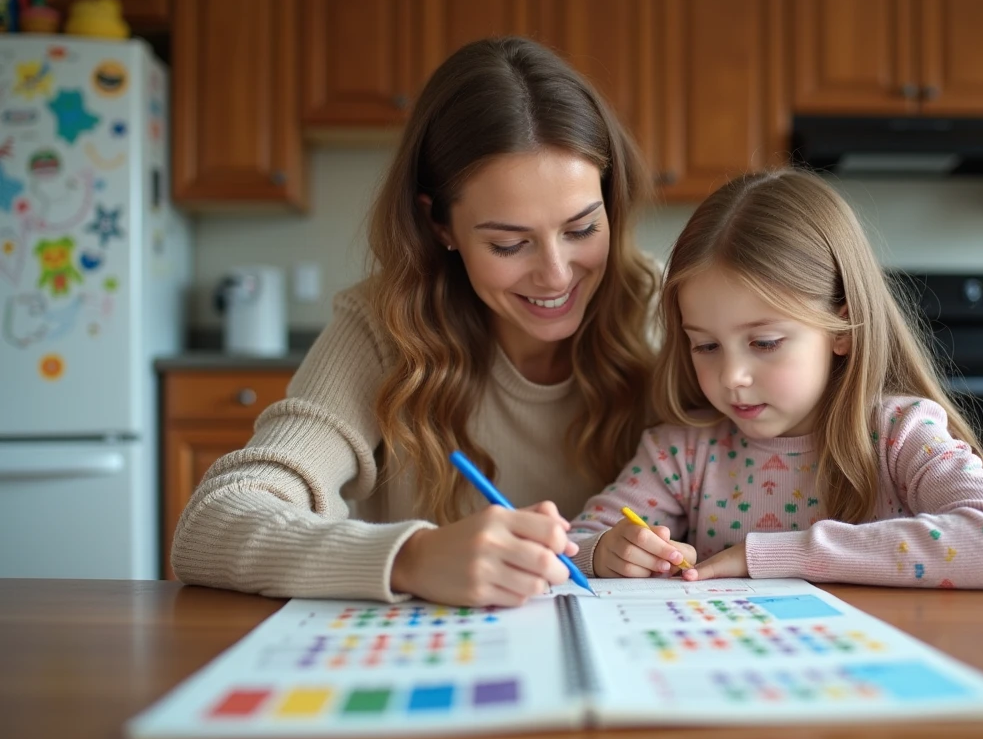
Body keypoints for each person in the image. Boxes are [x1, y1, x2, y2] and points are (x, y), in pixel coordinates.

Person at [171, 37, 660, 606]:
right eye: (508, 244)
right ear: (441, 226)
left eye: (580, 230)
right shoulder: (383, 327)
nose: (555, 275)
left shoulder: (666, 309)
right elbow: (212, 523)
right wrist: (410, 558)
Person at [568, 170, 983, 590]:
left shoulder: (900, 436)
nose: (731, 377)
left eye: (765, 342)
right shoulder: (682, 453)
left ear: (841, 330)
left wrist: (772, 557)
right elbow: (568, 548)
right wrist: (604, 551)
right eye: (706, 346)